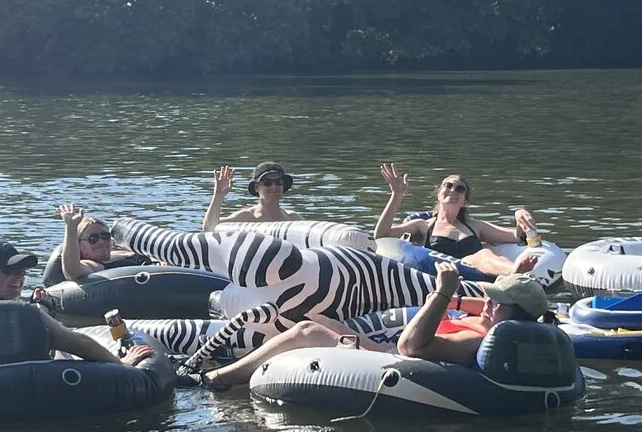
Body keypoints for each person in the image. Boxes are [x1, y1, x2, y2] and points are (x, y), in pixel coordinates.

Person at [193, 261, 550, 390]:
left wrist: (441, 296)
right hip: (389, 350)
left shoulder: (483, 340)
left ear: (514, 312)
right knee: (316, 317)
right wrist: (452, 296)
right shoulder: (490, 317)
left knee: (309, 333)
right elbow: (475, 302)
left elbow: (411, 348)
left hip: (401, 363)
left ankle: (216, 379)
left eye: (495, 301)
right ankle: (231, 369)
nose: (486, 302)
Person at [0, 238, 156, 365]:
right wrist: (121, 366)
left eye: (22, 272)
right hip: (32, 392)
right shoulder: (25, 313)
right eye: (10, 272)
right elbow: (77, 343)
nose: (19, 279)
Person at [372, 164, 541, 275]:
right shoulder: (423, 226)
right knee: (482, 254)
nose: (453, 190)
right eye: (448, 186)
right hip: (440, 274)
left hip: (474, 276)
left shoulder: (476, 226)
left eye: (460, 189)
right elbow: (381, 235)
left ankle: (513, 271)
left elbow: (518, 237)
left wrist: (519, 214)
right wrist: (397, 195)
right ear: (439, 194)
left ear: (464, 201)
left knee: (484, 254)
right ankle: (513, 272)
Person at [49, 203, 135, 284]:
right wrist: (71, 228)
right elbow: (72, 272)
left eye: (105, 236)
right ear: (78, 245)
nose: (101, 241)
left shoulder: (121, 252)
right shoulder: (92, 265)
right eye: (93, 239)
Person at [203, 162, 299, 230]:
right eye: (267, 183)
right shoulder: (246, 218)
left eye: (278, 182)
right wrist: (219, 195)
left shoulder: (292, 218)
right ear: (256, 187)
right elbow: (209, 228)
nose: (274, 187)